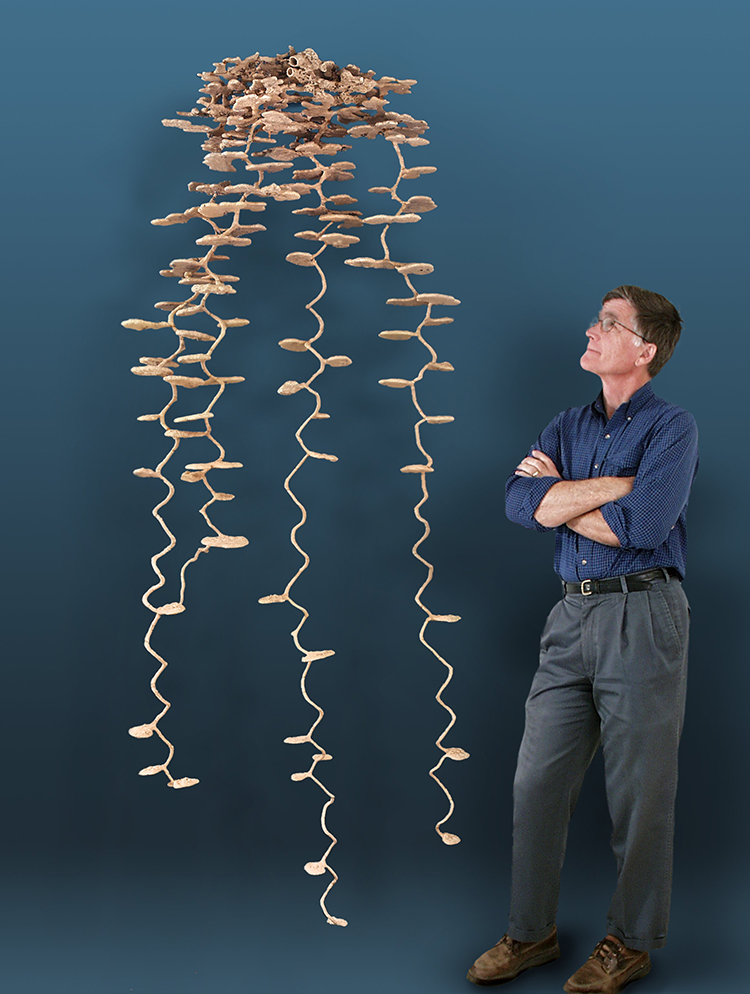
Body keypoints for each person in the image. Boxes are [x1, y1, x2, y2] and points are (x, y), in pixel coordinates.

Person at [467, 286, 698, 993]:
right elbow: (515, 503)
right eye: (597, 320)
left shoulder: (673, 428)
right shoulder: (565, 423)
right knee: (536, 782)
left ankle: (629, 943)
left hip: (645, 613)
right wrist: (604, 488)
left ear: (645, 348)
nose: (592, 330)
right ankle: (530, 933)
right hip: (570, 617)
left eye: (609, 323)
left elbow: (643, 529)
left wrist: (558, 495)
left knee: (640, 792)